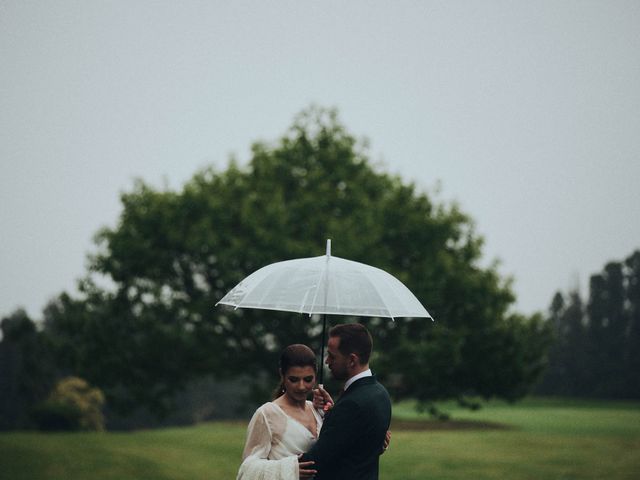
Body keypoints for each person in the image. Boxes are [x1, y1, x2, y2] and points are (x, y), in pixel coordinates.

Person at [300, 323, 392, 480]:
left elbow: (314, 462)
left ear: (351, 360)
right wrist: (331, 411)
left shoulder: (352, 405)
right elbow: (353, 440)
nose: (327, 361)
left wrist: (274, 468)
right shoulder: (380, 393)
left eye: (332, 356)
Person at [237, 344, 321, 480]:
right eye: (293, 379)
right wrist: (290, 470)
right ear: (282, 374)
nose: (301, 386)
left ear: (315, 376)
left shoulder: (317, 410)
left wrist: (330, 411)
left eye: (308, 379)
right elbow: (247, 469)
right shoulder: (267, 414)